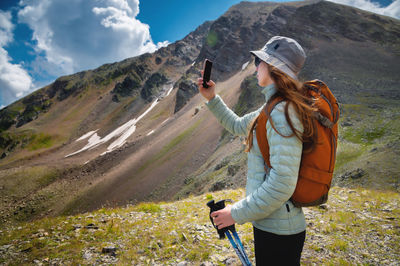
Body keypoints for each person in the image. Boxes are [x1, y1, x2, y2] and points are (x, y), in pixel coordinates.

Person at [198, 36, 318, 265]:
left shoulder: (282, 112)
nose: (255, 66)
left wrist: (234, 213)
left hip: (280, 231)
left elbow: (282, 183)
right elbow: (237, 125)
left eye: (259, 61)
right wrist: (212, 98)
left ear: (274, 67)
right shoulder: (272, 107)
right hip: (271, 224)